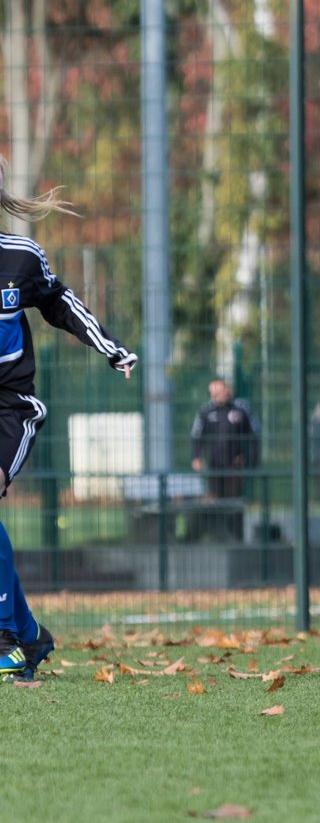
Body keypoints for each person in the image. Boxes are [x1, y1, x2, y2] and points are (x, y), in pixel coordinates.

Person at [0, 155, 137, 678]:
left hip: (10, 406)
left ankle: (8, 640)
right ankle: (29, 634)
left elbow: (61, 303)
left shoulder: (21, 258)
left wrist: (111, 348)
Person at [191, 377, 260, 499]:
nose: (214, 396)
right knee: (216, 501)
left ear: (227, 390)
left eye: (218, 392)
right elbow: (196, 436)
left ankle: (235, 517)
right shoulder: (205, 412)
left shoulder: (242, 409)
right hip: (214, 466)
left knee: (234, 500)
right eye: (212, 393)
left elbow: (254, 435)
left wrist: (250, 460)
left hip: (235, 467)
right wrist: (196, 457)